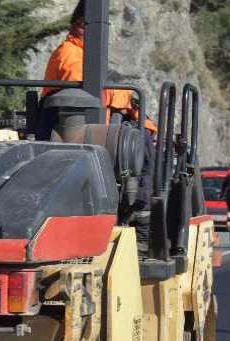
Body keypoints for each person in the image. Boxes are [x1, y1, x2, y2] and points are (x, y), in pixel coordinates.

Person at [42, 0, 156, 255]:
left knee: (145, 140)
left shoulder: (83, 54)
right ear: (77, 26)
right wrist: (126, 101)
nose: (88, 32)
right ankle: (140, 215)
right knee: (140, 148)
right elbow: (89, 95)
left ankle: (139, 209)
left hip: (80, 122)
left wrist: (128, 103)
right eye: (84, 26)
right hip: (69, 124)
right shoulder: (71, 55)